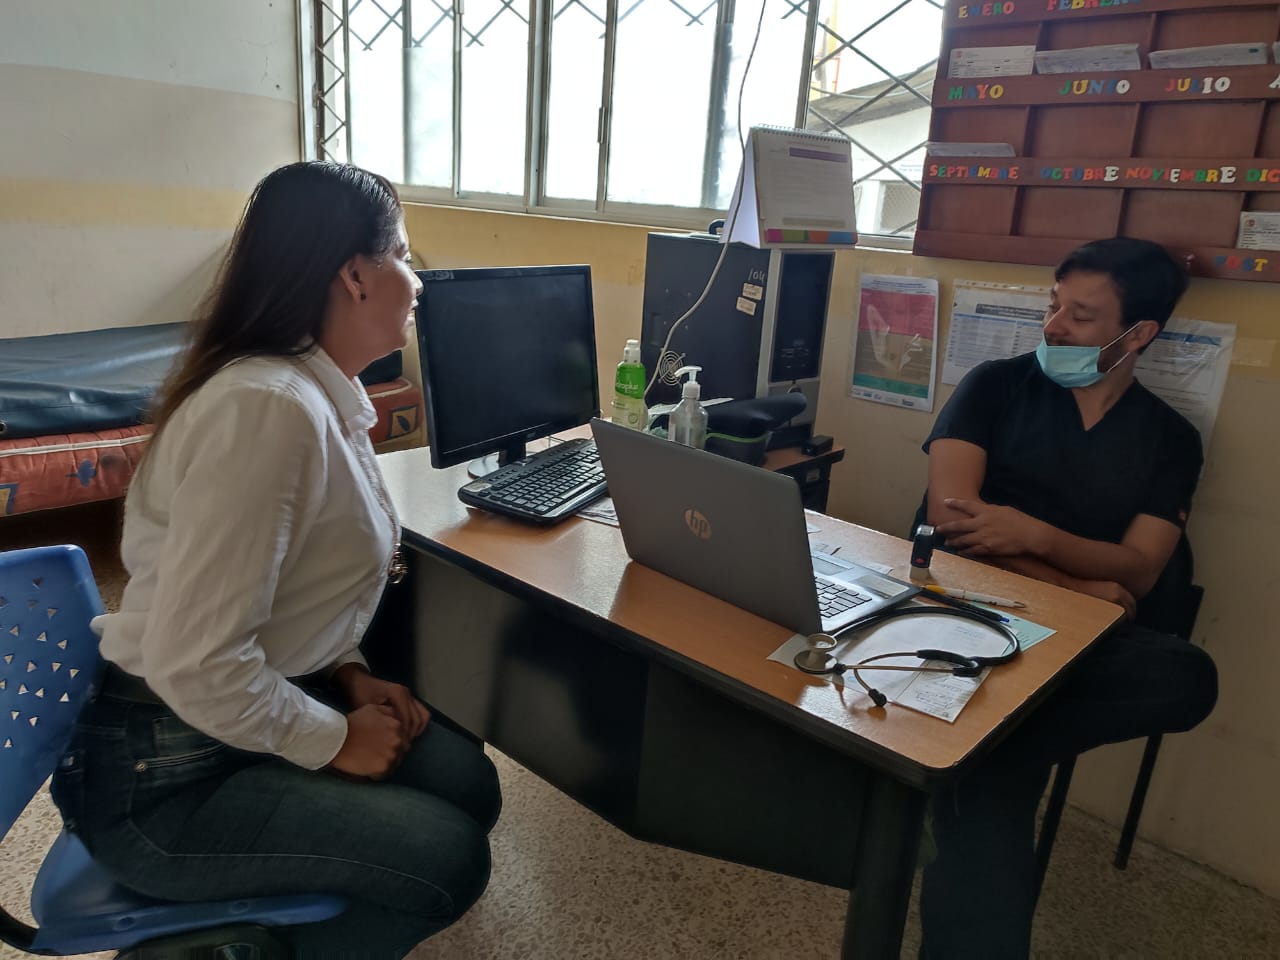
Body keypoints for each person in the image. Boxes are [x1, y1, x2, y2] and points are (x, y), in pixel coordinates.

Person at [51, 161, 501, 958]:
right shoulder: (267, 409)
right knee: (447, 858)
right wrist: (333, 740)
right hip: (165, 777)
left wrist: (348, 672)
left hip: (239, 710)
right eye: (404, 256)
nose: (417, 282)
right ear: (354, 277)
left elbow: (292, 586)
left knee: (467, 784)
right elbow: (197, 662)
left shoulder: (315, 393)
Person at [914, 237, 1218, 958]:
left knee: (1188, 677)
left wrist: (1031, 535)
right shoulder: (995, 386)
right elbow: (952, 522)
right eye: (1053, 305)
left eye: (1081, 317)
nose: (1053, 326)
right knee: (999, 781)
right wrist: (1078, 582)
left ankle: (984, 747)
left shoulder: (1171, 439)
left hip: (1079, 638)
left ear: (1138, 334)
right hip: (969, 601)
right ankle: (990, 752)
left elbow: (1139, 571)